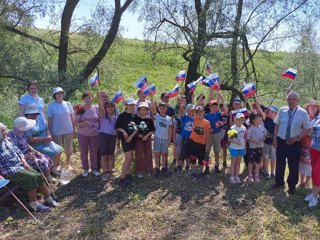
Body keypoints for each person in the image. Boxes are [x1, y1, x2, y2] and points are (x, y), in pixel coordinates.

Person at [0, 123, 58, 212]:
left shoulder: (7, 140)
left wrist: (24, 162)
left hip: (20, 165)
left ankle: (49, 199)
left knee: (38, 175)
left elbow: (18, 152)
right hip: (9, 171)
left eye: (5, 130)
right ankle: (34, 204)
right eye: (3, 131)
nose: (5, 132)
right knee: (31, 178)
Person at [272, 91, 311, 194]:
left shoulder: (303, 113)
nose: (291, 101)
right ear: (287, 100)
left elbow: (307, 129)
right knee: (280, 163)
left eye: (294, 99)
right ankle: (279, 182)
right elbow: (276, 124)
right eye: (289, 99)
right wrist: (275, 139)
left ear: (298, 100)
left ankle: (292, 186)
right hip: (281, 141)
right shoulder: (282, 110)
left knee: (293, 166)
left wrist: (297, 138)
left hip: (294, 142)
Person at [8, 117, 55, 183]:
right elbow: (15, 153)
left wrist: (36, 152)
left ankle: (47, 175)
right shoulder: (11, 138)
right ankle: (44, 179)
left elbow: (27, 145)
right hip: (22, 158)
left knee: (45, 157)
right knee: (42, 162)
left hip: (29, 153)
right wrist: (27, 156)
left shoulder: (21, 133)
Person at [24, 104, 63, 176]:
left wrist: (49, 135)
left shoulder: (40, 119)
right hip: (36, 145)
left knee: (59, 150)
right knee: (52, 152)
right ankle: (49, 171)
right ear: (27, 115)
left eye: (35, 114)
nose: (34, 116)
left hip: (46, 140)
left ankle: (53, 168)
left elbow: (46, 128)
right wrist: (45, 138)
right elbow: (30, 140)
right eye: (32, 114)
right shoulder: (26, 125)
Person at [47, 87, 75, 167]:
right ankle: (57, 164)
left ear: (63, 94)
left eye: (61, 93)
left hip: (68, 129)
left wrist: (74, 128)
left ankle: (67, 163)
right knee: (57, 148)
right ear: (54, 95)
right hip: (56, 130)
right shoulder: (51, 106)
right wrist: (49, 131)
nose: (59, 95)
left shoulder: (68, 104)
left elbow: (72, 117)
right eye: (57, 93)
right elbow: (50, 120)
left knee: (68, 147)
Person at [75, 91, 100, 177]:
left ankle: (94, 168)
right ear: (83, 99)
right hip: (83, 134)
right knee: (83, 152)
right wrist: (82, 124)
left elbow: (100, 119)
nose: (88, 99)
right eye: (86, 98)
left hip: (95, 134)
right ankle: (85, 169)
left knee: (94, 152)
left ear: (92, 98)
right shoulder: (80, 110)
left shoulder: (96, 107)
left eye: (89, 97)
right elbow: (75, 123)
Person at [115, 98, 138, 184]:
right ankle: (122, 177)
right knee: (128, 158)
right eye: (130, 105)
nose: (132, 107)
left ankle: (128, 174)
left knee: (131, 158)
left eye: (133, 105)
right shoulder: (121, 115)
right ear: (126, 105)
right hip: (125, 140)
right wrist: (124, 131)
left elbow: (136, 129)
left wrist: (131, 137)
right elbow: (117, 127)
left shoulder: (134, 116)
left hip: (132, 139)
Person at [204, 94, 228, 174]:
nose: (214, 107)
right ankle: (206, 167)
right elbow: (204, 125)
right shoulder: (206, 115)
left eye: (216, 106)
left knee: (217, 151)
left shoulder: (218, 114)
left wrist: (223, 100)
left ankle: (217, 166)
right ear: (209, 107)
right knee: (207, 151)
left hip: (217, 134)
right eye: (213, 106)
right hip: (209, 135)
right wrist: (208, 130)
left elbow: (226, 111)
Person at [299, 100, 319, 188]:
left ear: (318, 108)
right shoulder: (304, 116)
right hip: (301, 141)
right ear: (308, 107)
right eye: (311, 106)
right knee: (301, 161)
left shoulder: (318, 119)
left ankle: (307, 182)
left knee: (309, 163)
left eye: (315, 106)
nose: (312, 107)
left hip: (312, 144)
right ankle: (301, 181)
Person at [256, 99, 278, 179]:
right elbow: (261, 111)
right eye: (269, 111)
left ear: (276, 113)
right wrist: (258, 104)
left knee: (273, 158)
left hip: (274, 143)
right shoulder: (266, 119)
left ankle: (273, 172)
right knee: (265, 157)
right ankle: (266, 171)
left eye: (272, 112)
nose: (270, 113)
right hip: (265, 142)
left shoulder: (278, 121)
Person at [97, 94, 118, 181]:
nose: (110, 108)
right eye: (108, 107)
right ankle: (104, 172)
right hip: (103, 136)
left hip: (112, 137)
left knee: (110, 155)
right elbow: (100, 107)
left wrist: (118, 140)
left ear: (114, 107)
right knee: (103, 155)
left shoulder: (116, 116)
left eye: (112, 107)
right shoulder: (103, 115)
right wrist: (98, 98)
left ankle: (110, 172)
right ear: (105, 108)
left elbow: (117, 129)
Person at [188, 106, 211, 178]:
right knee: (193, 157)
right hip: (193, 142)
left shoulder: (207, 122)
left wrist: (207, 144)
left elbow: (207, 133)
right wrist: (199, 101)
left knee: (201, 158)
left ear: (204, 112)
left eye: (201, 112)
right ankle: (194, 172)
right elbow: (194, 109)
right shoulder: (195, 119)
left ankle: (200, 172)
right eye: (198, 112)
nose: (199, 114)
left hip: (202, 143)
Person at [134, 102, 155, 177]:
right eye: (141, 109)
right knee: (139, 154)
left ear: (147, 111)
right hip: (138, 139)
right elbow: (133, 128)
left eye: (145, 109)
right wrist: (137, 134)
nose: (143, 111)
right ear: (138, 110)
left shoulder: (149, 120)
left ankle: (149, 169)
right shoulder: (136, 119)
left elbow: (152, 130)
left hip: (147, 138)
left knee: (148, 154)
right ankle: (139, 171)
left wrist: (147, 135)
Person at [152, 101, 173, 176]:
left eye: (164, 108)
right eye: (161, 108)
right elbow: (153, 109)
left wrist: (169, 139)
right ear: (159, 109)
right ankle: (157, 168)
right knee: (157, 153)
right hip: (157, 137)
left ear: (166, 109)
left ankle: (163, 168)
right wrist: (152, 97)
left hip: (165, 138)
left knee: (164, 154)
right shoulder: (157, 116)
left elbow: (170, 129)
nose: (163, 110)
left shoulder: (169, 118)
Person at [304, 111, 320, 207]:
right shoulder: (318, 117)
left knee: (318, 172)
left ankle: (315, 197)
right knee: (314, 172)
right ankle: (314, 192)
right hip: (314, 148)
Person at [246, 112, 266, 182]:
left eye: (259, 117)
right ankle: (250, 175)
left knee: (258, 162)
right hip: (252, 148)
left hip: (260, 147)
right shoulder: (250, 129)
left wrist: (263, 139)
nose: (259, 118)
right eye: (257, 118)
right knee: (251, 162)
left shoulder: (262, 127)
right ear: (253, 121)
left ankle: (257, 175)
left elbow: (264, 136)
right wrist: (255, 141)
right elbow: (248, 138)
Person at [228, 113, 246, 184]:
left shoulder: (244, 128)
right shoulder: (233, 128)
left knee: (238, 163)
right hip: (234, 148)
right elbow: (229, 139)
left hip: (241, 148)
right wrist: (235, 141)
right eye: (239, 119)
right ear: (235, 120)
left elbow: (244, 138)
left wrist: (244, 147)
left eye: (242, 120)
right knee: (233, 162)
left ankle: (237, 176)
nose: (240, 121)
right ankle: (232, 177)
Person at [177, 104, 195, 174]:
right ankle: (180, 167)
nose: (193, 111)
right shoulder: (185, 117)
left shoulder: (195, 118)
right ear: (187, 110)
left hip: (191, 138)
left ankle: (187, 167)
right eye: (191, 110)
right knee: (182, 153)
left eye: (193, 110)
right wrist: (180, 102)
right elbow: (180, 110)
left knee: (189, 154)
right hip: (184, 137)